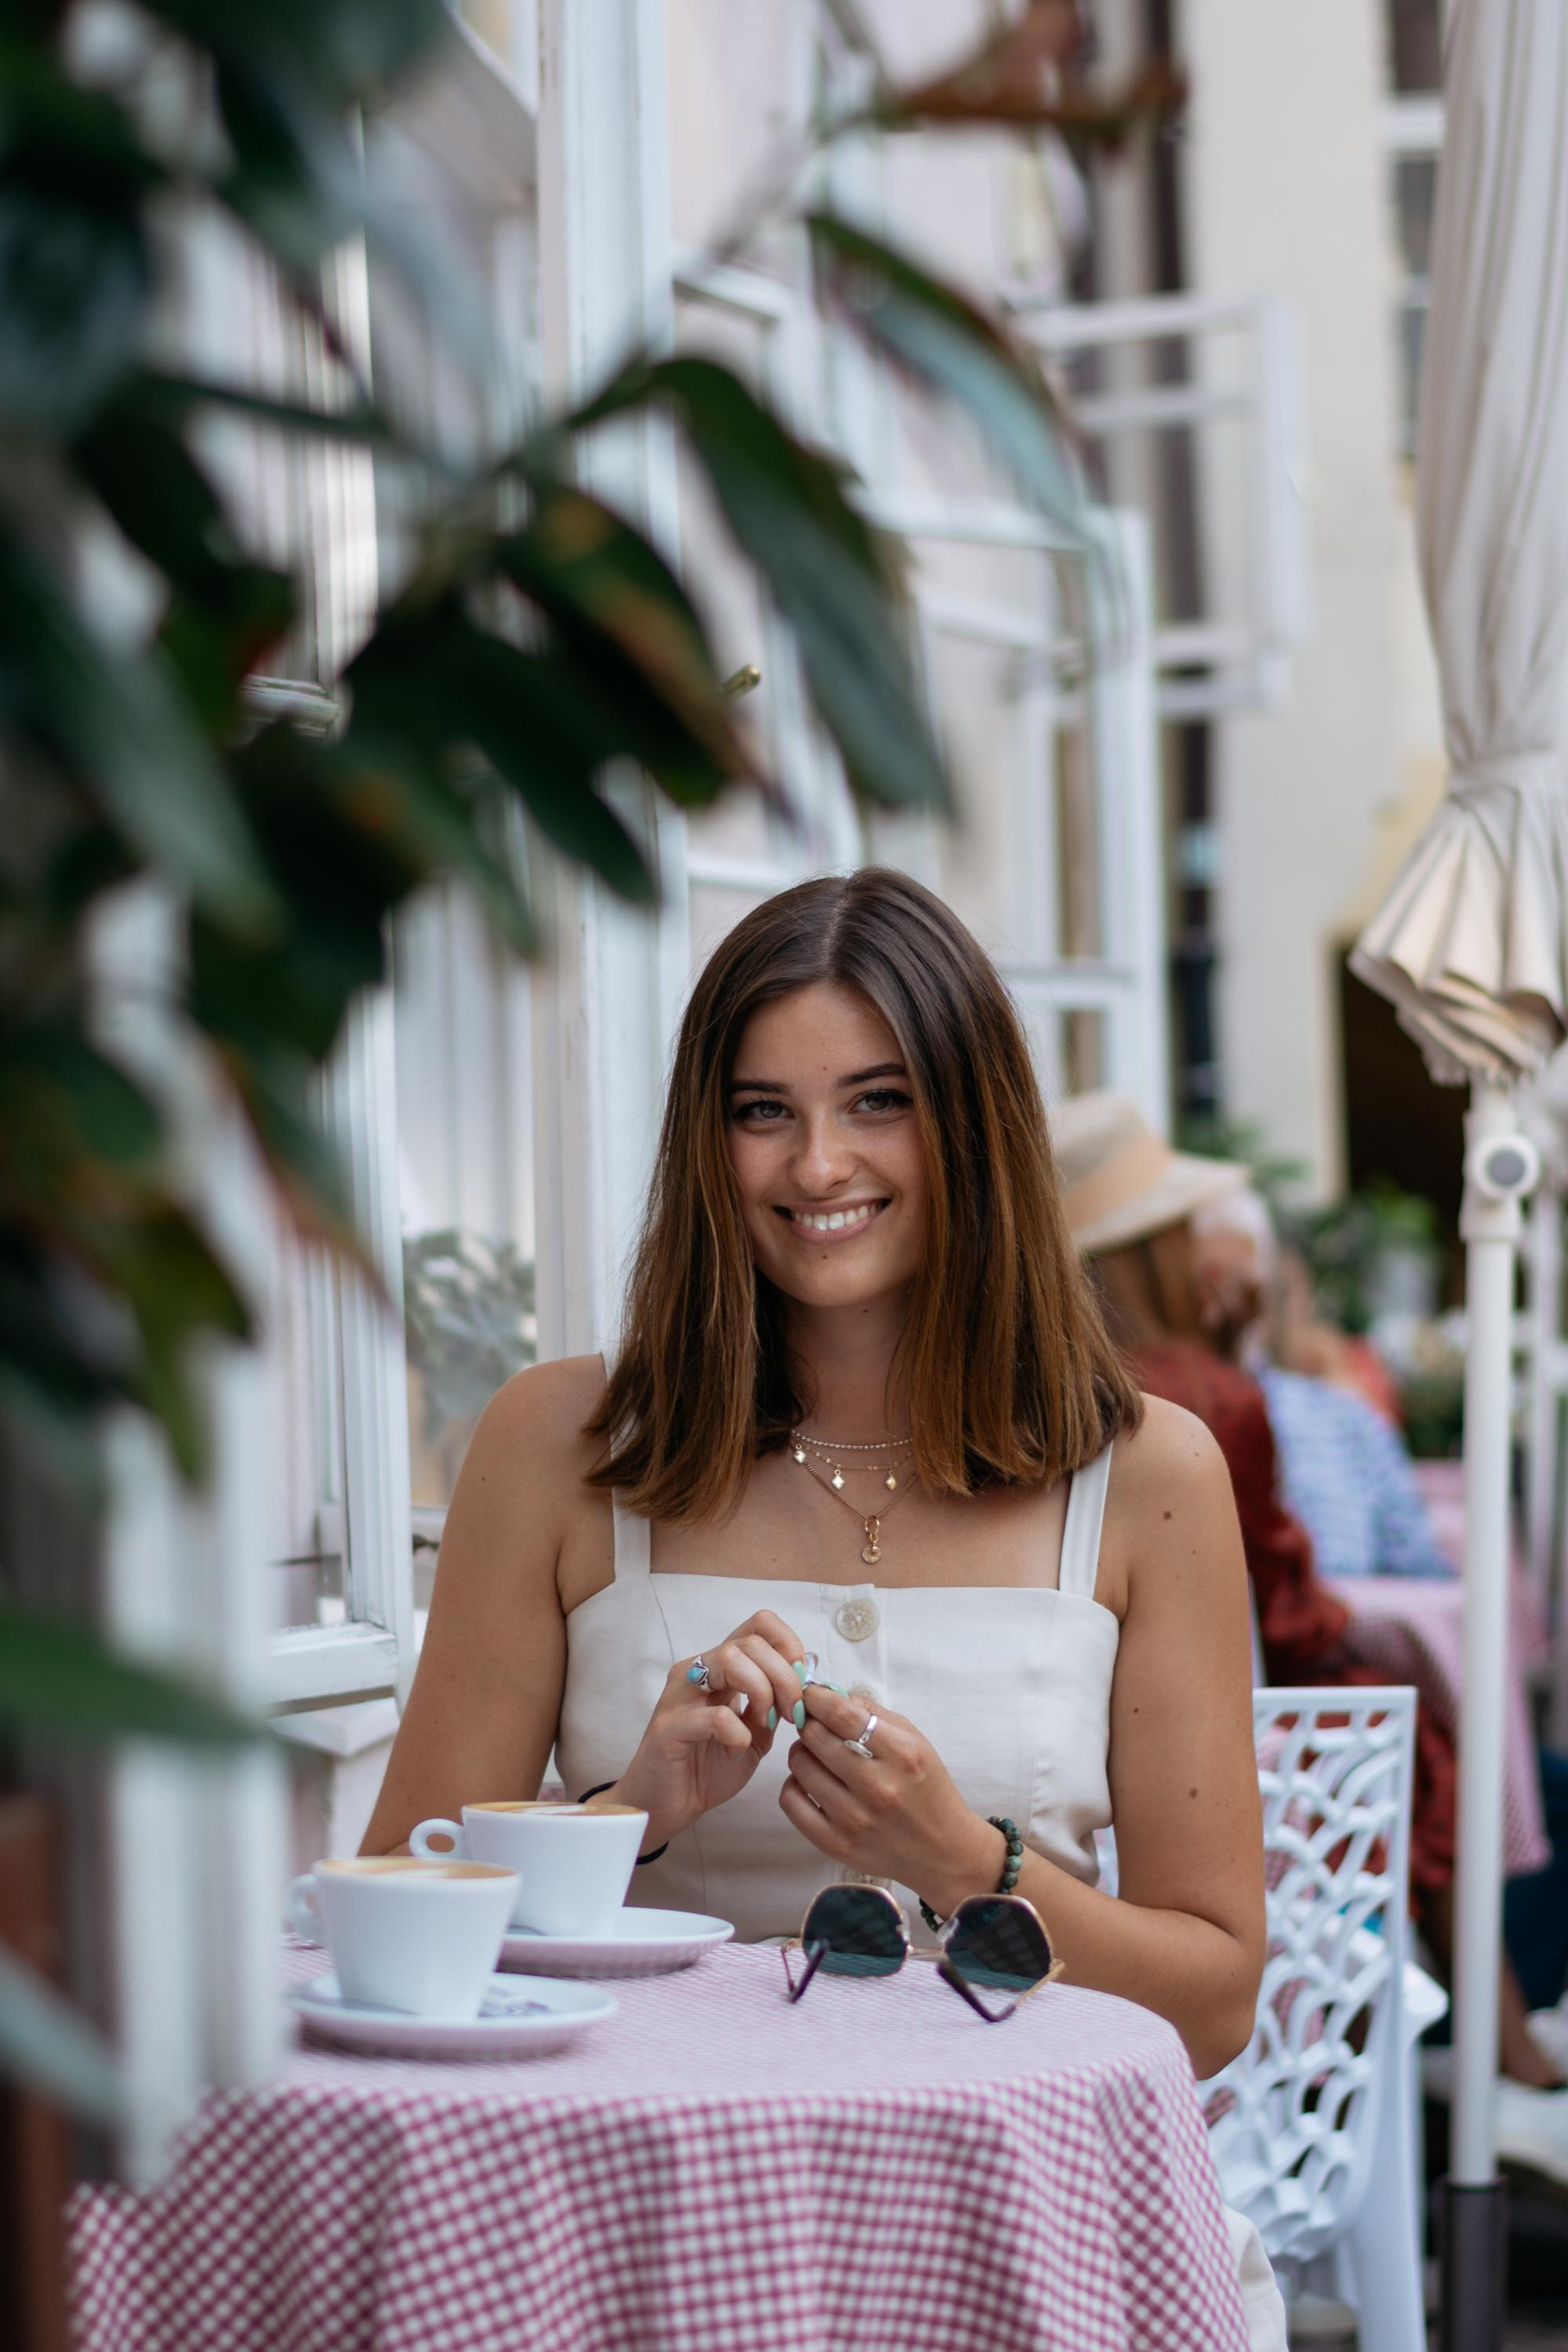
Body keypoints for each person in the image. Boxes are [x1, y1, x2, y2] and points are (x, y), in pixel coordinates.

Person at [364, 870, 1283, 2349]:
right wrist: (626, 1814)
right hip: (626, 2230)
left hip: (1003, 2228)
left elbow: (1216, 2003)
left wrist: (966, 1861)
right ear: (705, 1141)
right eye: (761, 1110)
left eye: (877, 1100)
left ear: (971, 1126)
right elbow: (397, 1921)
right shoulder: (553, 1444)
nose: (816, 1164)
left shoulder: (1150, 1475)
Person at [1054, 1090, 1568, 2150]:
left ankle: (1495, 2043)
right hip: (1231, 1747)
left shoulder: (1053, 1390)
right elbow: (1280, 1605)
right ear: (1162, 1250)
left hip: (1082, 1741)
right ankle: (1498, 2045)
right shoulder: (1208, 1400)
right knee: (1426, 1743)